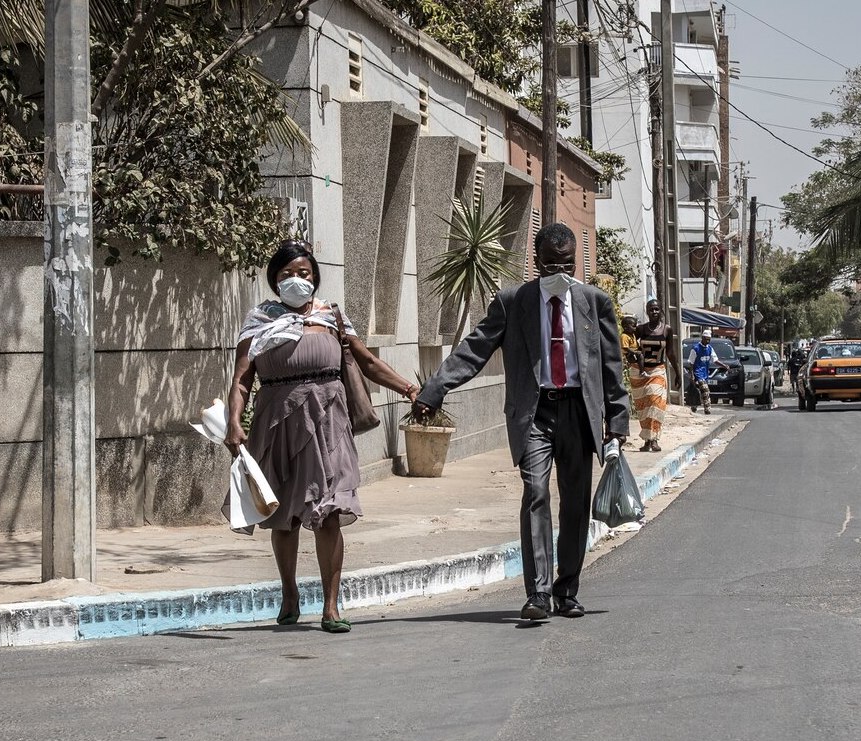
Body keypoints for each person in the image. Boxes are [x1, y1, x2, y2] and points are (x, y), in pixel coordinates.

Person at [412, 223, 629, 621]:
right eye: (551, 263)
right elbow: (475, 348)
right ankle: (540, 594)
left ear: (576, 260)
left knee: (576, 504)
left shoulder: (594, 302)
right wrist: (435, 388)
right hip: (535, 413)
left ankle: (567, 591)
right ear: (536, 261)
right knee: (536, 493)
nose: (560, 271)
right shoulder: (514, 301)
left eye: (567, 263)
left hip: (580, 413)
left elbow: (612, 366)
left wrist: (617, 422)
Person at [225, 239, 419, 634]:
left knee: (329, 512)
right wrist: (233, 421)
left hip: (329, 421)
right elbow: (242, 378)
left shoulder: (332, 316)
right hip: (278, 422)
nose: (296, 280)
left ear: (315, 278)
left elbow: (366, 362)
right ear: (273, 281)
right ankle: (290, 593)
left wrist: (409, 388)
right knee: (284, 518)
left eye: (304, 274)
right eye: (286, 275)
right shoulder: (259, 321)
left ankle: (331, 605)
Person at [630, 299, 672, 452]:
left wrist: (678, 373)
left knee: (655, 404)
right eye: (651, 309)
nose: (654, 312)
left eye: (656, 309)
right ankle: (647, 440)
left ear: (660, 310)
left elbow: (670, 353)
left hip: (658, 371)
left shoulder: (666, 330)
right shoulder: (640, 330)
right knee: (643, 407)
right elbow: (630, 346)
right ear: (647, 311)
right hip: (640, 371)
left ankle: (654, 439)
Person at [688, 330, 728, 414]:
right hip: (697, 373)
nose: (707, 341)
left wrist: (724, 365)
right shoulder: (696, 348)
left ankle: (694, 406)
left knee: (700, 391)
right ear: (702, 338)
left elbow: (715, 360)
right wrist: (692, 375)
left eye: (709, 339)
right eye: (706, 339)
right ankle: (707, 408)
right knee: (705, 390)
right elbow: (691, 363)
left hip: (705, 373)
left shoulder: (710, 348)